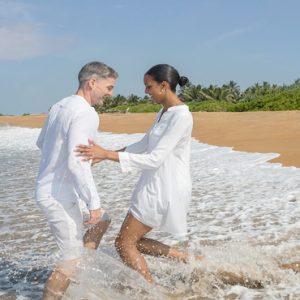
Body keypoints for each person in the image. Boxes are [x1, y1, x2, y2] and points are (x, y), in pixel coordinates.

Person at [76, 64, 203, 283]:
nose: (146, 91)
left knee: (124, 243)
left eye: (149, 86)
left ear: (164, 85)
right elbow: (144, 144)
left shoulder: (181, 116)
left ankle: (151, 292)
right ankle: (188, 258)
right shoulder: (164, 112)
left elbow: (155, 158)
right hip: (154, 184)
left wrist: (106, 154)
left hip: (166, 187)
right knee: (133, 241)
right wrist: (107, 154)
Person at [35, 61, 118, 299]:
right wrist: (93, 203)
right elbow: (77, 161)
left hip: (54, 189)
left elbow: (41, 143)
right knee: (69, 259)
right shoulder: (86, 112)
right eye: (109, 87)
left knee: (103, 220)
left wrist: (60, 155)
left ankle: (82, 272)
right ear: (92, 82)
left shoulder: (60, 105)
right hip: (58, 195)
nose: (110, 93)